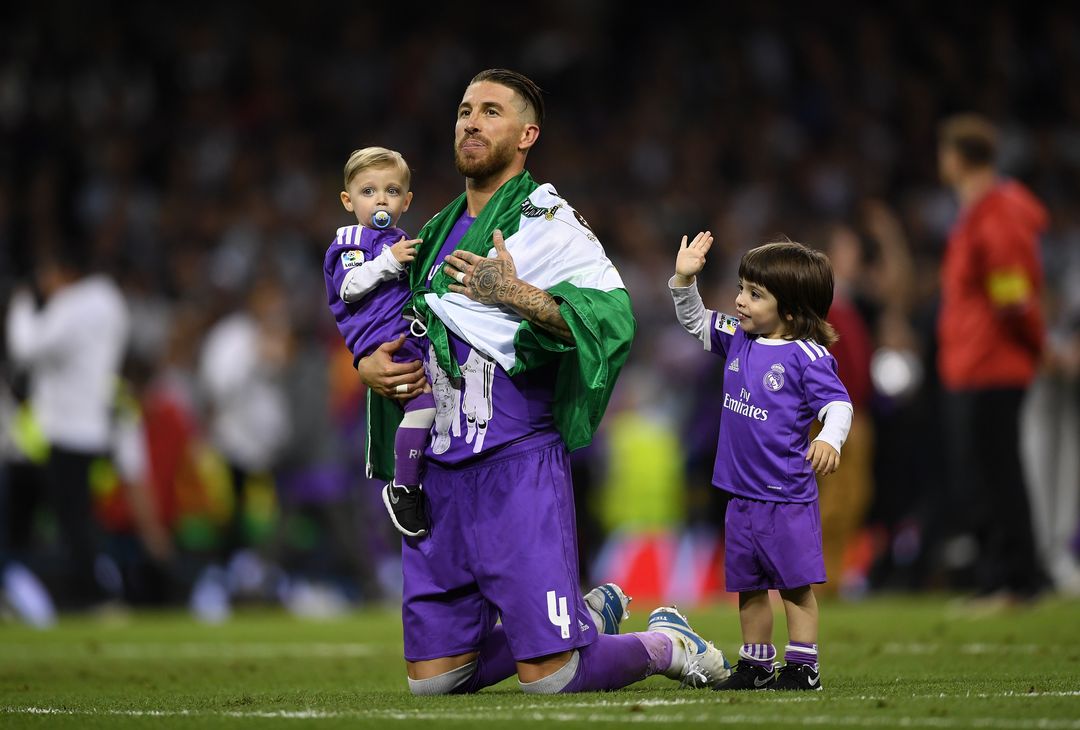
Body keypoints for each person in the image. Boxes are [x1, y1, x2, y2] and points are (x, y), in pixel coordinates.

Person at [356, 68, 730, 695]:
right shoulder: (435, 228)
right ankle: (583, 616)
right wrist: (368, 364)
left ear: (527, 134)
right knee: (433, 683)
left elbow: (613, 321)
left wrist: (516, 294)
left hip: (515, 461)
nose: (471, 122)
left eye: (491, 111)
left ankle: (665, 644)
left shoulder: (544, 216)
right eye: (464, 110)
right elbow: (400, 328)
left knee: (551, 679)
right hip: (438, 473)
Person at [670, 233, 853, 691]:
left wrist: (830, 438)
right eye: (741, 288)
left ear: (790, 309)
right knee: (748, 588)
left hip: (786, 496)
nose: (739, 301)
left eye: (755, 293)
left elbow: (839, 405)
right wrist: (684, 278)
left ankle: (803, 666)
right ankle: (755, 666)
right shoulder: (737, 338)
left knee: (794, 586)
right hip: (741, 495)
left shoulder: (808, 357)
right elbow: (694, 320)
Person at [936, 114, 1047, 601]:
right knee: (979, 475)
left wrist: (1039, 346)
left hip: (994, 366)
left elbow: (1011, 294)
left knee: (998, 474)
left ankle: (1018, 577)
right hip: (970, 365)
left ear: (957, 159)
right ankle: (997, 576)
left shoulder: (995, 216)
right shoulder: (975, 215)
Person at [5, 250, 130, 609]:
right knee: (74, 516)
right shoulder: (111, 301)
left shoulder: (75, 304)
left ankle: (94, 595)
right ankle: (86, 592)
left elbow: (26, 348)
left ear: (64, 272)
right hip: (91, 423)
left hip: (63, 427)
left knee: (62, 519)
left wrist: (22, 305)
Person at [322, 146, 434, 538]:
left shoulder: (400, 238)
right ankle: (404, 487)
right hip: (386, 340)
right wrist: (391, 262)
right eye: (368, 191)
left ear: (406, 200)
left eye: (391, 190)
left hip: (406, 334)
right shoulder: (352, 240)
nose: (381, 199)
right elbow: (351, 288)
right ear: (347, 200)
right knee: (424, 409)